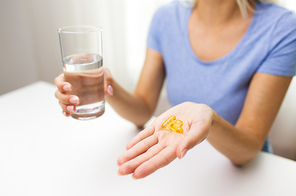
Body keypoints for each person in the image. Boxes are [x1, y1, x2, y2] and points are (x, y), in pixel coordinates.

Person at [54, 0, 296, 179]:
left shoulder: (282, 28)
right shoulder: (165, 18)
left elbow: (249, 149)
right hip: (180, 164)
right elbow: (142, 109)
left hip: (246, 174)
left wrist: (209, 120)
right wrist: (107, 85)